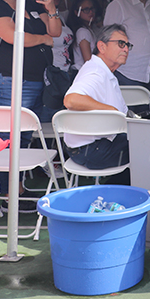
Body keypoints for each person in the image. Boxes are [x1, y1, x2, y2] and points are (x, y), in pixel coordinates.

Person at [0, 0, 62, 212]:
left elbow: (56, 31)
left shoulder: (31, 8)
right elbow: (13, 36)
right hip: (11, 81)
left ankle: (13, 190)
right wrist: (43, 39)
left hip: (37, 81)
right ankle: (9, 194)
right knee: (10, 138)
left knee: (23, 137)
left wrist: (51, 8)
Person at [63, 24, 131, 184]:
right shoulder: (95, 72)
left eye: (128, 45)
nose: (126, 49)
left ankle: (114, 192)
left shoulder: (102, 70)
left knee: (145, 142)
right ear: (102, 46)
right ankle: (116, 196)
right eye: (121, 44)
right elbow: (71, 100)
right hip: (90, 150)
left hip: (90, 147)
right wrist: (111, 110)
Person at [103, 0, 150, 100]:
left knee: (146, 118)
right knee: (127, 118)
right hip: (127, 73)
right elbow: (107, 40)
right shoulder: (119, 4)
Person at [68, 0, 102, 70]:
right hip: (84, 72)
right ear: (77, 12)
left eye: (92, 9)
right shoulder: (83, 32)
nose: (91, 12)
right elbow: (88, 60)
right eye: (86, 9)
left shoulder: (90, 29)